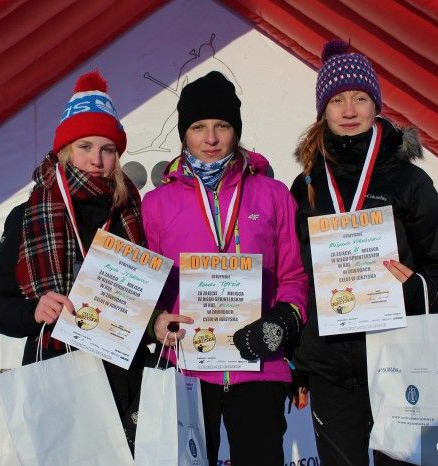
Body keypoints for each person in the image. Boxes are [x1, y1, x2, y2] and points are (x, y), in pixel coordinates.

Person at [290, 40, 438, 466]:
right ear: (323, 111)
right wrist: (300, 363)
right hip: (332, 371)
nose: (349, 110)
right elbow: (297, 277)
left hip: (398, 361)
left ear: (376, 106)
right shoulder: (307, 186)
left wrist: (414, 289)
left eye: (360, 98)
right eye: (337, 100)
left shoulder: (408, 182)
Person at [141, 71, 309, 465]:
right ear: (184, 134)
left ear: (236, 130)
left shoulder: (273, 195)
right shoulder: (157, 204)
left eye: (222, 126)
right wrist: (155, 322)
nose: (211, 138)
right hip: (187, 367)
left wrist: (282, 322)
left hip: (260, 366)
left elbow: (295, 276)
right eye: (198, 127)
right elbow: (143, 286)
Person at [0, 70, 148, 443]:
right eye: (85, 146)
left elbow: (150, 298)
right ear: (66, 150)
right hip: (58, 369)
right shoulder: (28, 215)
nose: (96, 160)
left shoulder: (133, 213)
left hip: (123, 372)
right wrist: (34, 311)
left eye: (107, 149)